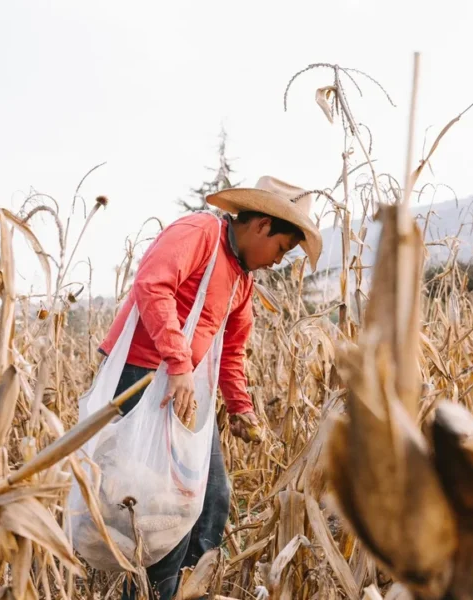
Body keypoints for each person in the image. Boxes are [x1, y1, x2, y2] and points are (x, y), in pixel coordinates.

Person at [97, 176, 322, 600]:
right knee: (161, 505)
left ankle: (188, 590)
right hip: (138, 377)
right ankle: (150, 594)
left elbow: (232, 349)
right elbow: (152, 285)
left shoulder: (242, 280)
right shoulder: (200, 232)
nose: (278, 261)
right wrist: (179, 363)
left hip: (181, 386)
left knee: (211, 498)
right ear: (262, 226)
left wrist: (240, 407)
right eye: (281, 248)